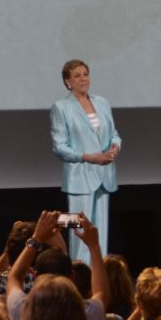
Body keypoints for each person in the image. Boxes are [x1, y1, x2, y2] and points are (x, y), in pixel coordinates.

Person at [51, 59, 122, 263]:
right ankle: (80, 276)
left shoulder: (102, 102)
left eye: (85, 74)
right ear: (67, 82)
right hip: (79, 180)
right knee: (79, 234)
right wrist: (89, 157)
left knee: (100, 234)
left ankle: (100, 276)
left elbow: (114, 134)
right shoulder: (61, 107)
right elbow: (59, 147)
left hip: (105, 176)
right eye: (77, 76)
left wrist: (115, 147)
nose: (83, 79)